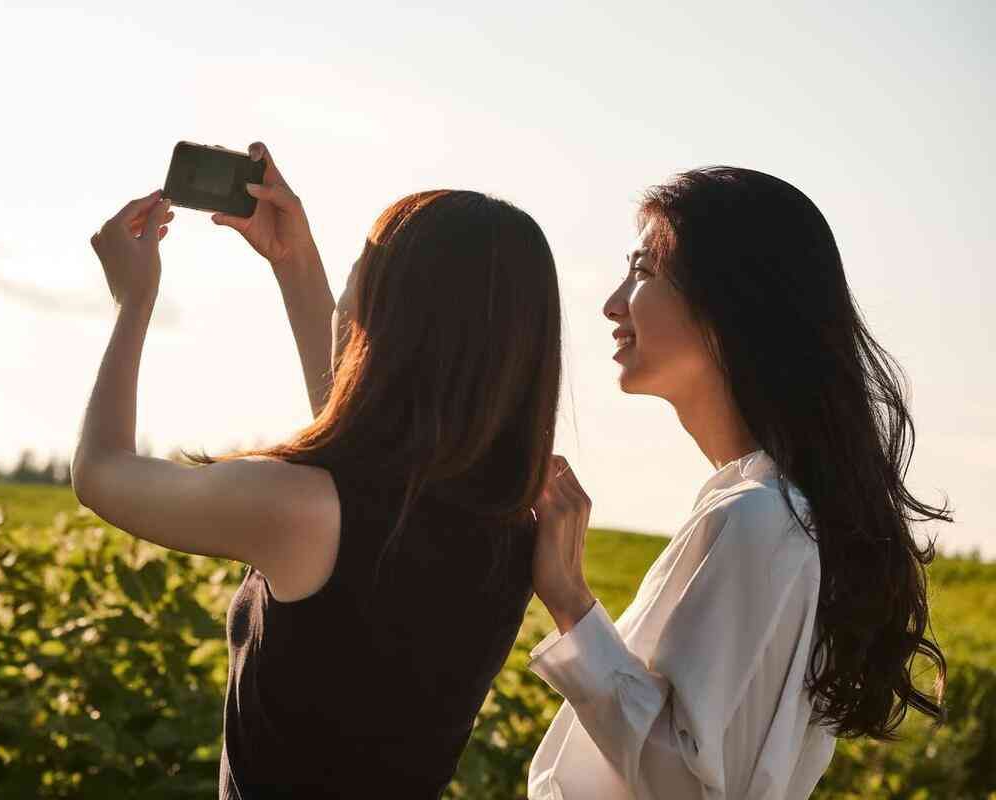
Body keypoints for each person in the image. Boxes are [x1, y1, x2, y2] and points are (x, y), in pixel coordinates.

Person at [75, 142, 563, 798]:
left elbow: (101, 473)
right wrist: (293, 261)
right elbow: (367, 447)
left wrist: (132, 302)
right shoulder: (503, 526)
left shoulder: (299, 509)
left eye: (362, 264)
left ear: (391, 316)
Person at [525, 166, 951, 800]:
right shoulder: (766, 508)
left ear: (727, 303)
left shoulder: (760, 518)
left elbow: (685, 785)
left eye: (643, 270)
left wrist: (570, 602)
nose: (613, 302)